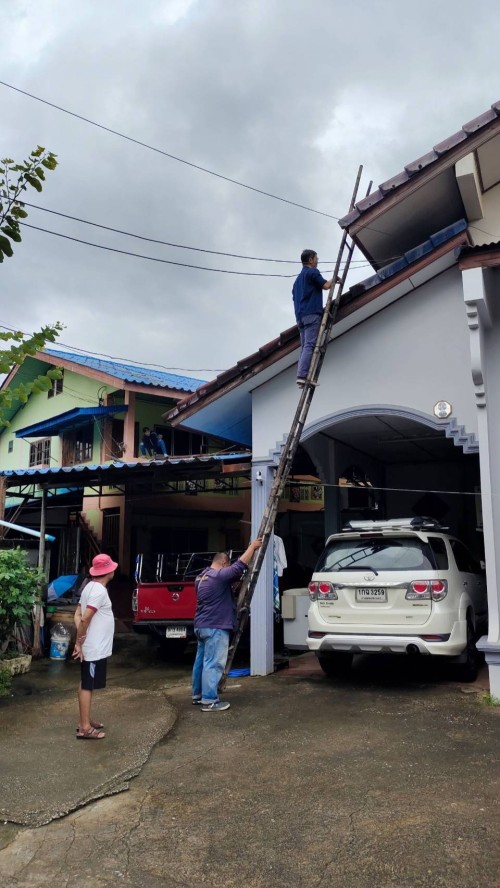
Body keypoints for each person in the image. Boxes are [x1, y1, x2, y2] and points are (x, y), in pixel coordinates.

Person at [192, 538, 263, 712]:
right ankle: (209, 701)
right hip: (216, 626)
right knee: (214, 663)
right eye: (227, 565)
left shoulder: (201, 577)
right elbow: (239, 566)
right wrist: (252, 547)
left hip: (201, 626)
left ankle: (198, 695)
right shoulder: (218, 575)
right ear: (224, 563)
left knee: (201, 662)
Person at [73, 553, 118, 739]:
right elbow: (84, 618)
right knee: (87, 685)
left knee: (85, 682)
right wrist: (79, 642)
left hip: (92, 645)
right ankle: (84, 728)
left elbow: (77, 615)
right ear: (109, 571)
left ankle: (85, 720)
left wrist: (83, 635)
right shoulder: (99, 591)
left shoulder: (88, 587)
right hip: (94, 648)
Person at [292, 249, 335, 386]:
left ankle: (302, 376)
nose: (317, 260)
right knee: (310, 345)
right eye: (316, 258)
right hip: (312, 313)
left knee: (305, 346)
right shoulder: (312, 272)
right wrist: (335, 279)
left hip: (300, 317)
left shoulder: (297, 281)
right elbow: (326, 286)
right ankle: (303, 375)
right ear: (310, 259)